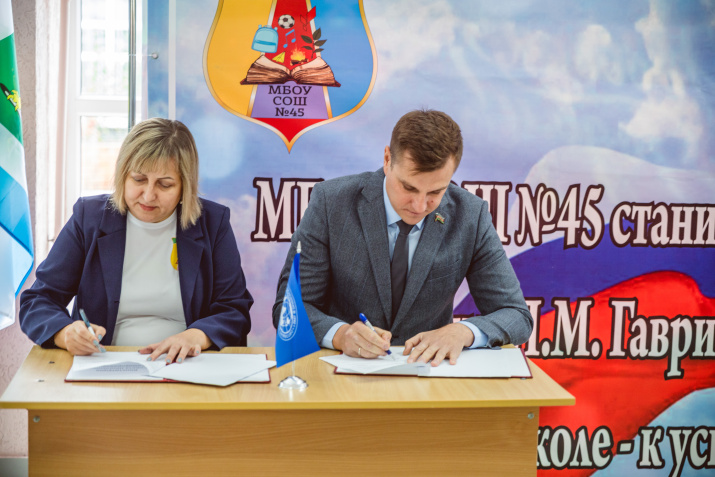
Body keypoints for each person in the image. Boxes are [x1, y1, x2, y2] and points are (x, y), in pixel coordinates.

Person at [272, 109, 532, 366]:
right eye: (409, 187)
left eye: (436, 192)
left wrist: (463, 332)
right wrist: (341, 335)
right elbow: (288, 308)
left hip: (429, 377)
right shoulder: (331, 203)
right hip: (339, 372)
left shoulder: (471, 216)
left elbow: (517, 315)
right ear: (387, 159)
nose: (419, 206)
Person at [20, 118, 252, 363]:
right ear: (123, 175)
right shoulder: (89, 219)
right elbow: (38, 301)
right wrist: (65, 333)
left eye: (165, 184)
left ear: (185, 187)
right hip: (104, 364)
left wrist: (197, 336)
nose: (149, 195)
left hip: (186, 365)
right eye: (139, 179)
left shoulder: (213, 224)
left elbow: (234, 309)